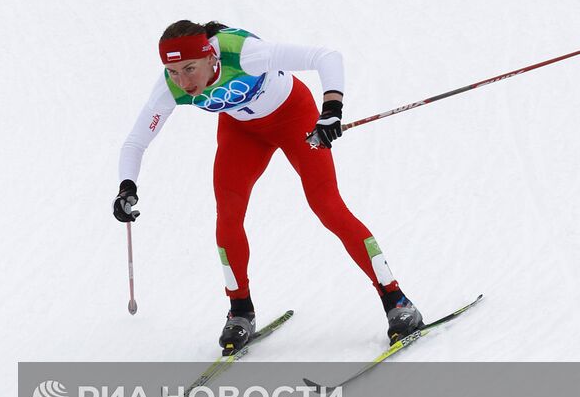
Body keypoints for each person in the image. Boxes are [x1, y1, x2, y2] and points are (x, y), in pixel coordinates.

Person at [114, 20, 424, 352]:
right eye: (173, 72)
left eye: (189, 68)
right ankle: (240, 311)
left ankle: (396, 299)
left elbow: (327, 56)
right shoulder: (170, 88)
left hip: (294, 118)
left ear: (209, 57)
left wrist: (331, 109)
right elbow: (135, 142)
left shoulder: (245, 54)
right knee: (228, 217)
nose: (183, 81)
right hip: (242, 133)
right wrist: (126, 186)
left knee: (327, 206)